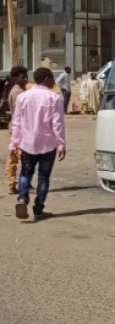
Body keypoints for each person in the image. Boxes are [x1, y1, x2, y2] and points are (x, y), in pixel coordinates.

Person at [10, 68, 67, 220]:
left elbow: (17, 122)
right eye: (52, 78)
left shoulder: (23, 97)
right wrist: (61, 144)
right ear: (46, 78)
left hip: (28, 142)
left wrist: (14, 144)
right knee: (43, 177)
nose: (54, 81)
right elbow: (58, 124)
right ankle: (38, 207)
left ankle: (22, 197)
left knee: (25, 172)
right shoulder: (54, 98)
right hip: (48, 144)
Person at [5, 66, 29, 194]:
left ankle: (19, 182)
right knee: (17, 157)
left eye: (26, 76)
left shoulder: (22, 90)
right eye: (22, 76)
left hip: (22, 127)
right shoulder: (17, 92)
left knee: (23, 157)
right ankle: (12, 183)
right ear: (15, 78)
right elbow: (20, 113)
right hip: (18, 128)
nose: (25, 79)